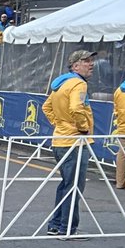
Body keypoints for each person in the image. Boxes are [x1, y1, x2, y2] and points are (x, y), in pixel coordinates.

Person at [42, 49, 96, 236]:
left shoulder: (62, 83)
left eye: (91, 60)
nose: (91, 64)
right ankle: (68, 227)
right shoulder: (78, 84)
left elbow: (46, 106)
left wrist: (59, 123)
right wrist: (81, 127)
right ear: (75, 65)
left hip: (60, 138)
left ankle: (56, 224)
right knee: (74, 185)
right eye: (86, 61)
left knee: (66, 184)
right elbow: (76, 107)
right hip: (74, 140)